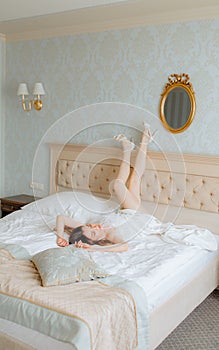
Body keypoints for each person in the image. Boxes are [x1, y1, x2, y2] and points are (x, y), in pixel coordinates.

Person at [55, 122, 153, 252]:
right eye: (94, 233)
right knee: (119, 185)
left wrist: (60, 236)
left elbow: (61, 218)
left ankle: (137, 144)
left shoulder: (85, 231)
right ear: (95, 241)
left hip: (126, 211)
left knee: (134, 180)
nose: (96, 228)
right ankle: (131, 147)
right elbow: (124, 246)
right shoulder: (110, 235)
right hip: (138, 216)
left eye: (91, 226)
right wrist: (92, 249)